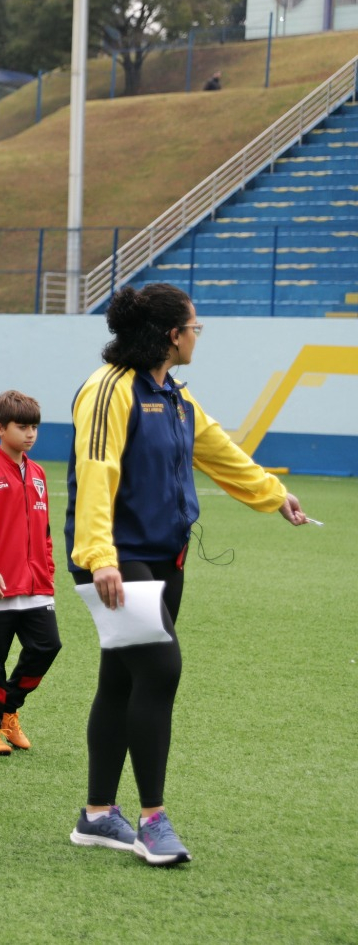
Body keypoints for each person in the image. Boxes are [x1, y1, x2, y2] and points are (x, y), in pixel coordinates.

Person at [65, 283, 305, 866]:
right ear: (172, 335)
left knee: (122, 680)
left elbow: (217, 448)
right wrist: (100, 557)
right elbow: (96, 472)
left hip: (165, 557)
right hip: (119, 558)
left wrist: (273, 495)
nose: (198, 336)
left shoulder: (172, 393)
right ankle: (153, 820)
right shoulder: (108, 390)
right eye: (194, 327)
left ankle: (97, 816)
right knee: (162, 668)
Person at [0, 390, 59, 756]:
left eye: (34, 426)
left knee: (48, 646)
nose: (30, 433)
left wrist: (46, 568)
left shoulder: (37, 474)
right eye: (23, 426)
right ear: (0, 429)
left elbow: (45, 530)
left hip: (35, 585)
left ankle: (9, 708)